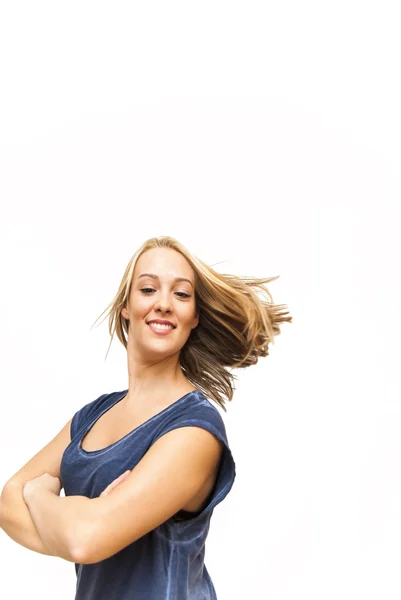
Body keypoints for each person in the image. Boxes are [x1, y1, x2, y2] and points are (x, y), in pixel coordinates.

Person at [0, 235, 292, 599]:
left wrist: (41, 495)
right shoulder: (91, 417)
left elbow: (84, 540)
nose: (164, 304)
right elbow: (7, 501)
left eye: (182, 294)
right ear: (126, 306)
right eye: (149, 288)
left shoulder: (195, 429)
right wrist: (74, 523)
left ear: (194, 316)